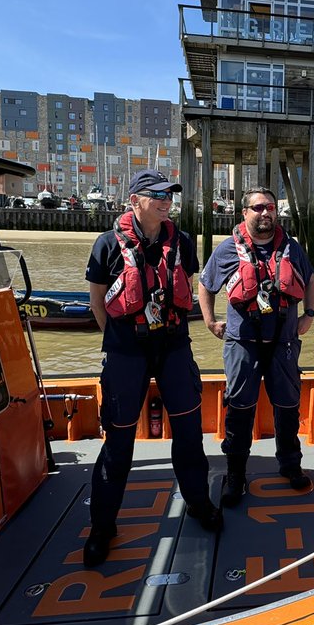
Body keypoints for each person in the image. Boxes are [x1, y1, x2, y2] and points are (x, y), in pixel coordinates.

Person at [82, 169, 221, 567]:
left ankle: (198, 503)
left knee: (189, 430)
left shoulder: (183, 243)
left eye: (169, 194)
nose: (166, 200)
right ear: (135, 200)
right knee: (119, 442)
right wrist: (122, 342)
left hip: (174, 347)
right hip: (126, 351)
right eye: (156, 194)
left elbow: (186, 287)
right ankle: (102, 526)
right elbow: (96, 303)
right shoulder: (107, 245)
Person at [198, 186, 314, 507]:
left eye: (270, 208)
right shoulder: (227, 250)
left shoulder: (291, 248)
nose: (265, 213)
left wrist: (309, 313)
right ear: (245, 213)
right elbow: (206, 285)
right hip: (243, 344)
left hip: (284, 343)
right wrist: (210, 322)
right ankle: (235, 475)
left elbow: (310, 281)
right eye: (258, 208)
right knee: (239, 409)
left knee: (288, 406)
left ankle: (290, 465)